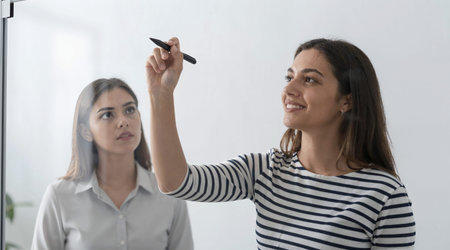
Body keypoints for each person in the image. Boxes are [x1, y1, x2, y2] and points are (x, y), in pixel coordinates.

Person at [146, 37, 416, 249]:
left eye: (309, 79)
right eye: (290, 77)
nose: (289, 89)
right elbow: (176, 182)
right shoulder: (265, 171)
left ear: (347, 100)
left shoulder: (384, 195)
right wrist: (161, 93)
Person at [31, 78, 193, 250]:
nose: (123, 121)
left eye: (130, 110)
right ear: (86, 131)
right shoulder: (59, 196)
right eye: (107, 114)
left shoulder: (170, 194)